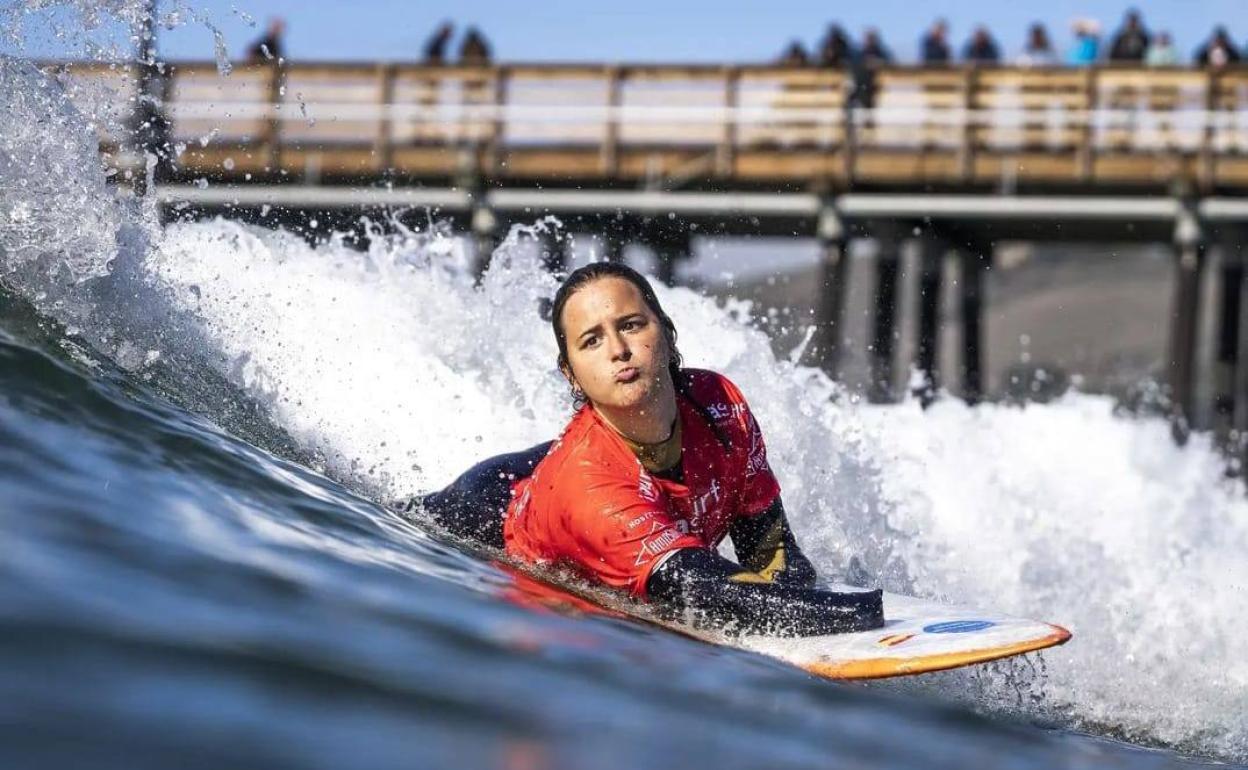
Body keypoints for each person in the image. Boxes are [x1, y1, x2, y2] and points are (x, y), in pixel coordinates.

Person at [409, 263, 883, 637]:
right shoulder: (589, 490)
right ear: (572, 374)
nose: (618, 349)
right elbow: (702, 590)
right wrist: (864, 615)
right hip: (484, 514)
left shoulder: (719, 406)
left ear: (666, 331)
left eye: (632, 325)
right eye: (591, 341)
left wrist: (804, 604)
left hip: (595, 465)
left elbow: (770, 545)